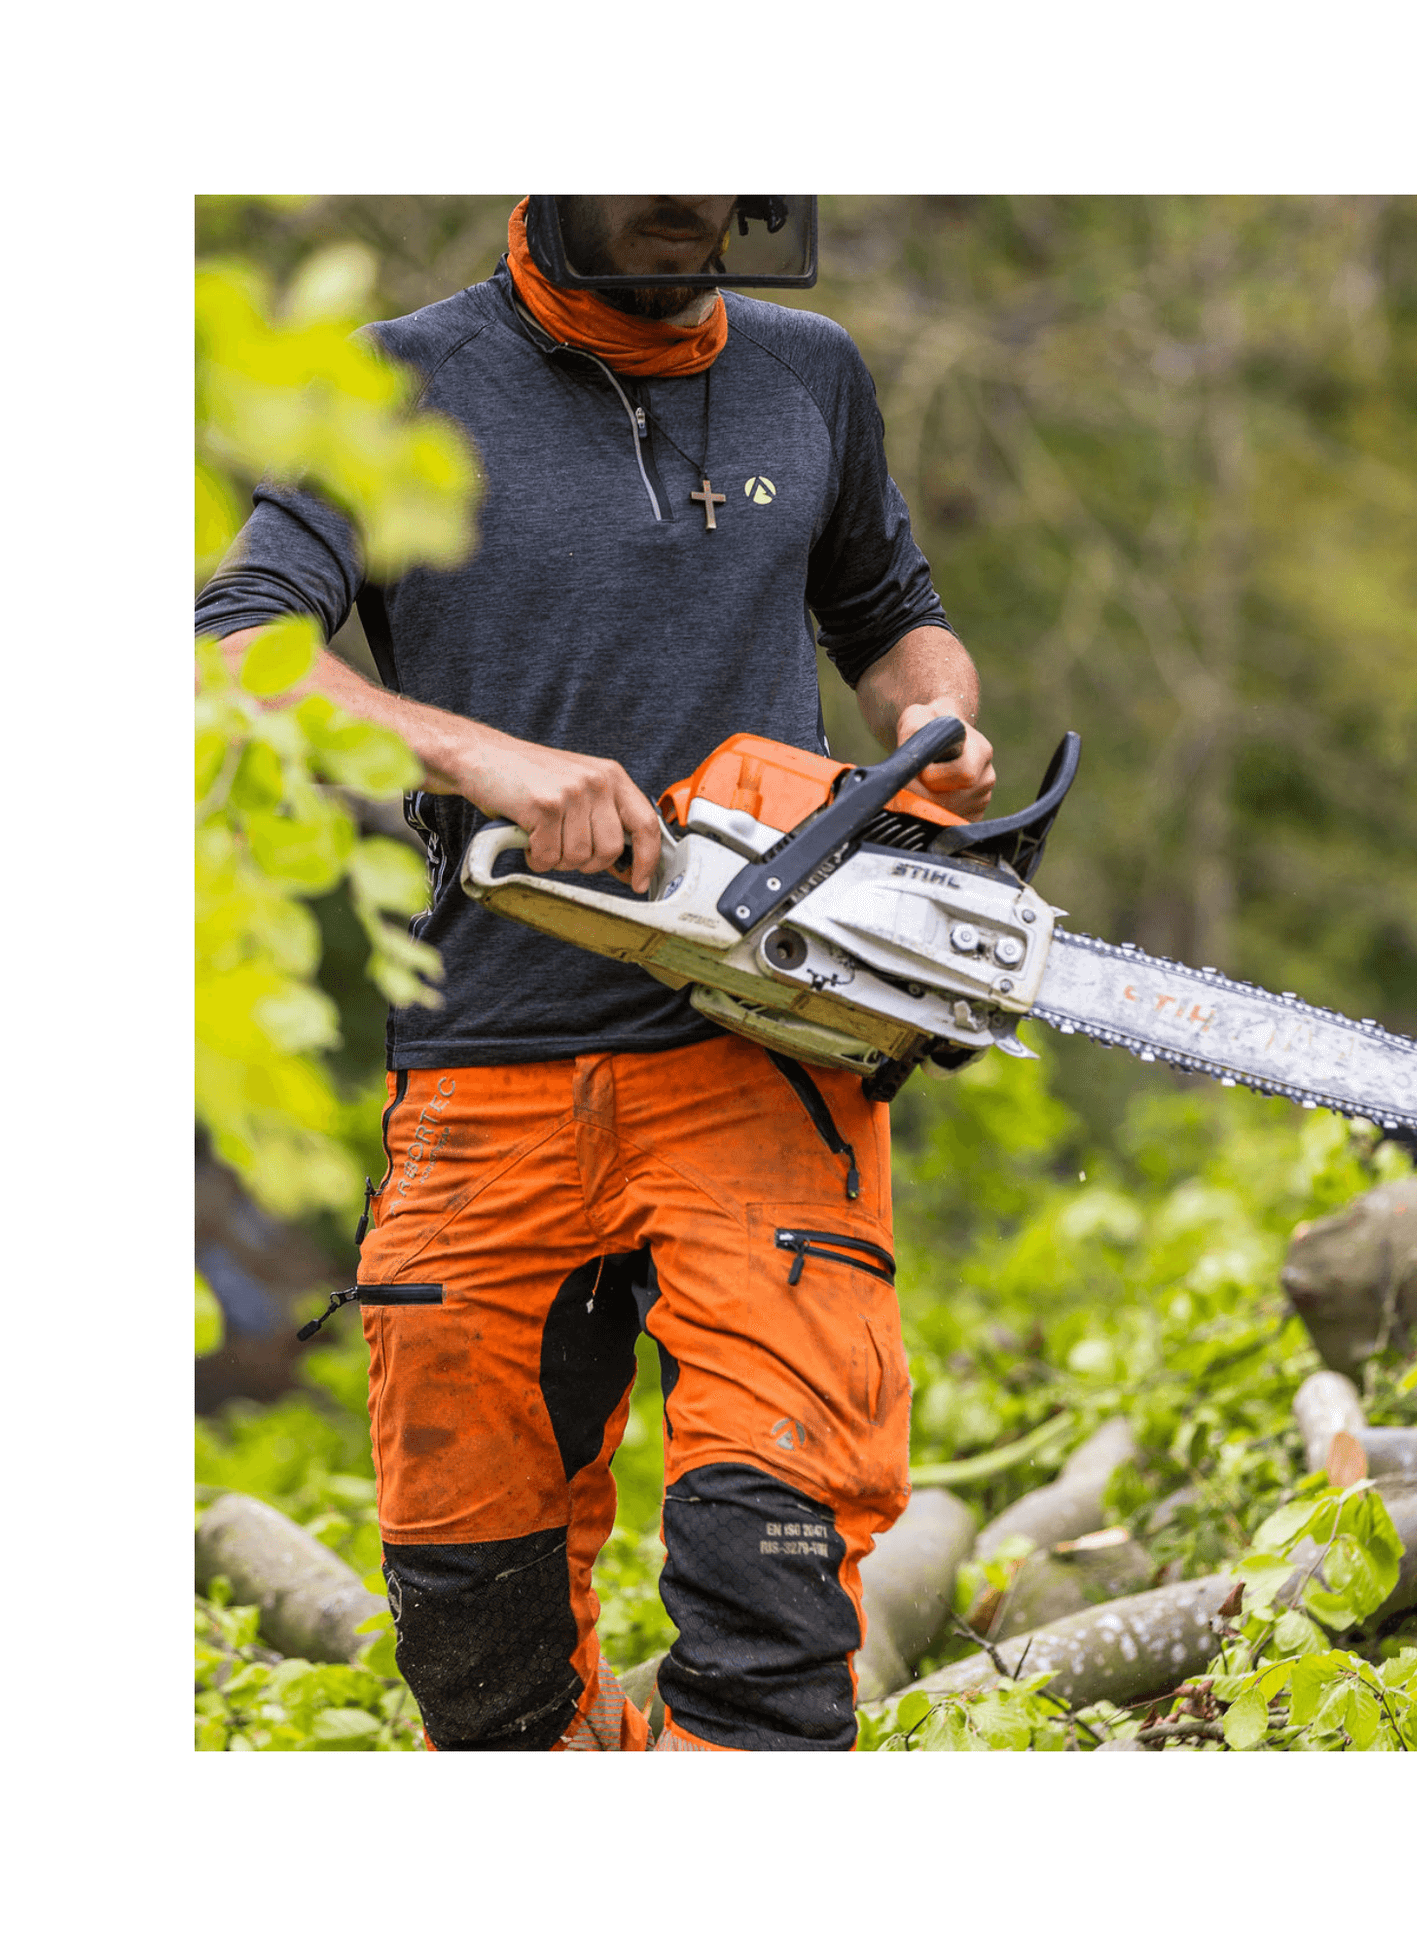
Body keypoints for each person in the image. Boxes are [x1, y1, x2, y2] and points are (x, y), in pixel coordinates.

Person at [196, 194, 996, 1751]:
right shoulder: (392, 388)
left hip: (762, 1050)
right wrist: (484, 761)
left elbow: (894, 620)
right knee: (476, 1647)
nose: (684, 221)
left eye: (715, 194)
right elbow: (230, 652)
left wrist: (934, 720)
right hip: (486, 1061)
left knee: (768, 1580)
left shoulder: (805, 372)